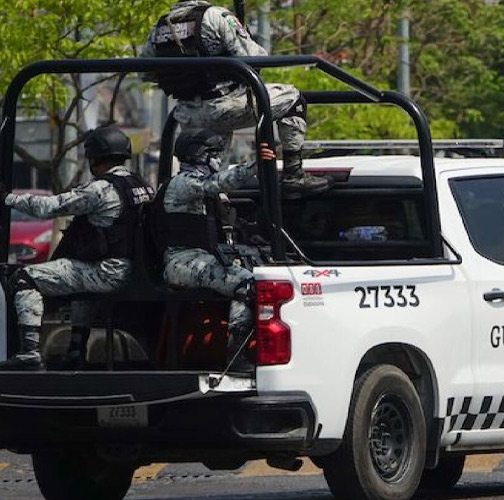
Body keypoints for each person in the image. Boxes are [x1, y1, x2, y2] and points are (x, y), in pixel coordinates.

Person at [140, 0, 331, 199]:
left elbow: (145, 73)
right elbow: (256, 58)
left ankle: (215, 220)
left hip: (188, 115)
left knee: (211, 182)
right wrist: (244, 35)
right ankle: (294, 173)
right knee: (294, 98)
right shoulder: (215, 16)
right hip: (223, 107)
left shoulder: (160, 26)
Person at [0, 126, 154, 370]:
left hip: (107, 272)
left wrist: (9, 199)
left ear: (94, 158)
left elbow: (50, 207)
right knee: (81, 280)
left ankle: (29, 353)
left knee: (23, 277)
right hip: (132, 269)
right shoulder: (141, 185)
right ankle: (75, 350)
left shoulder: (102, 189)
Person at [151, 128, 272, 371]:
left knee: (264, 277)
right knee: (247, 285)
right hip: (181, 263)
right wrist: (254, 166)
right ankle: (236, 355)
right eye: (214, 153)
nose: (219, 159)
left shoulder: (201, 188)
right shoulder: (183, 184)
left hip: (202, 259)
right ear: (199, 154)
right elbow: (216, 183)